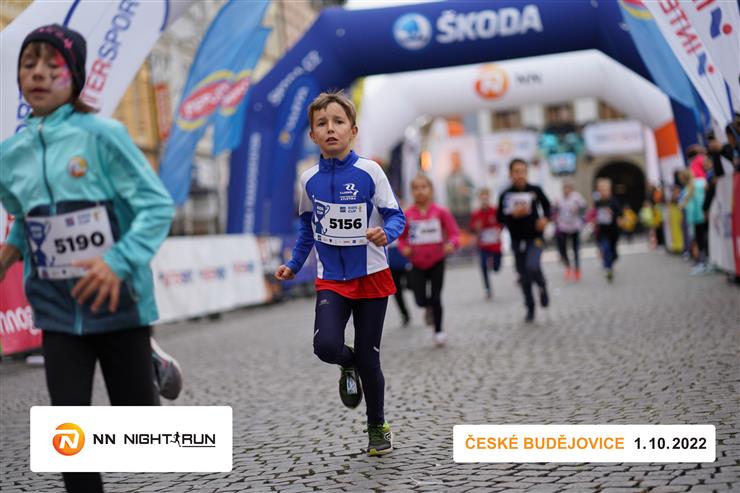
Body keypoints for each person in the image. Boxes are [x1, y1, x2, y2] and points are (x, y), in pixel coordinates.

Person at [0, 25, 174, 493]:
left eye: (51, 65)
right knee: (69, 436)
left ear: (74, 77)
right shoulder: (10, 155)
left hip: (118, 303)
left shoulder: (102, 135)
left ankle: (150, 364)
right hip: (57, 309)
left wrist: (117, 262)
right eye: (28, 64)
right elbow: (24, 215)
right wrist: (11, 250)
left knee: (142, 435)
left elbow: (157, 206)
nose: (38, 73)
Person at [274, 91, 405, 456]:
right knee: (326, 346)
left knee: (370, 357)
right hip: (332, 278)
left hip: (372, 275)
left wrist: (387, 233)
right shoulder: (308, 179)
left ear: (353, 130)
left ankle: (377, 426)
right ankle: (348, 366)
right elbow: (307, 228)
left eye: (338, 122)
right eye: (322, 124)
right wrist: (294, 263)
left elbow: (396, 215)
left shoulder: (371, 172)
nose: (330, 129)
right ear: (313, 135)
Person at [398, 174, 460, 345]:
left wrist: (451, 244)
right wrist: (405, 248)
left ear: (431, 190)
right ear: (412, 192)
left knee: (436, 296)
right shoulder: (408, 214)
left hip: (437, 260)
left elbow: (454, 233)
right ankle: (427, 307)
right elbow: (401, 238)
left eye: (423, 187)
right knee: (419, 299)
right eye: (415, 188)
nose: (420, 191)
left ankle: (439, 331)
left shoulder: (441, 212)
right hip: (417, 262)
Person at [497, 158, 551, 322]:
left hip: (535, 237)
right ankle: (530, 307)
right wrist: (513, 215)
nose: (520, 175)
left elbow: (548, 206)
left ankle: (542, 285)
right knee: (523, 275)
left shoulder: (535, 190)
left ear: (527, 173)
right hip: (517, 240)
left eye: (523, 171)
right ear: (510, 174)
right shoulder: (506, 194)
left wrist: (545, 219)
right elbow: (500, 217)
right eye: (516, 172)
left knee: (532, 266)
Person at [469, 187, 503, 299]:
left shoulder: (495, 211)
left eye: (486, 197)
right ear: (479, 199)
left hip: (496, 245)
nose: (484, 199)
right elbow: (472, 229)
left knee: (496, 268)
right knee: (483, 265)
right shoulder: (476, 214)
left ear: (489, 198)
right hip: (483, 245)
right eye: (482, 197)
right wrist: (476, 229)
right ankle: (487, 288)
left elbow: (502, 224)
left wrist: (499, 230)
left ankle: (493, 264)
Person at [552, 179, 585, 282]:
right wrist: (555, 218)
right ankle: (568, 266)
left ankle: (577, 269)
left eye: (569, 188)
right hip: (563, 227)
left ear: (572, 189)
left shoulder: (577, 197)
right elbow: (553, 210)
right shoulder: (558, 198)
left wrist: (578, 210)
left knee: (575, 249)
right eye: (565, 188)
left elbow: (584, 208)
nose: (567, 190)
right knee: (562, 249)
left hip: (575, 226)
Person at [592, 178, 623, 282]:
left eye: (605, 189)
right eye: (600, 190)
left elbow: (619, 214)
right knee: (605, 249)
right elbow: (594, 214)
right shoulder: (597, 202)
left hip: (613, 231)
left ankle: (611, 260)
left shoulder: (613, 201)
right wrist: (594, 221)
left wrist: (618, 219)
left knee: (612, 252)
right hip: (602, 231)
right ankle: (608, 268)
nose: (603, 192)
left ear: (609, 190)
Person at [445, 151, 474, 229]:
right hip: (454, 212)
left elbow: (475, 191)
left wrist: (467, 191)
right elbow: (447, 195)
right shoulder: (449, 177)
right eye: (453, 159)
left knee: (467, 233)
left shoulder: (466, 175)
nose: (455, 161)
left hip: (466, 211)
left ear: (460, 160)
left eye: (457, 159)